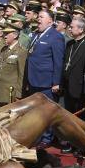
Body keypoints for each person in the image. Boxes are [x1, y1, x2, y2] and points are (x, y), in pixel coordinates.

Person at [25, 9, 65, 143]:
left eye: (41, 17)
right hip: (33, 79)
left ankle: (47, 139)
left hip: (46, 81)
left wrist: (56, 82)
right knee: (35, 111)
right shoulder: (36, 34)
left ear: (50, 21)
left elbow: (58, 61)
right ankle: (37, 135)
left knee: (46, 111)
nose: (38, 19)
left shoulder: (56, 36)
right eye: (38, 17)